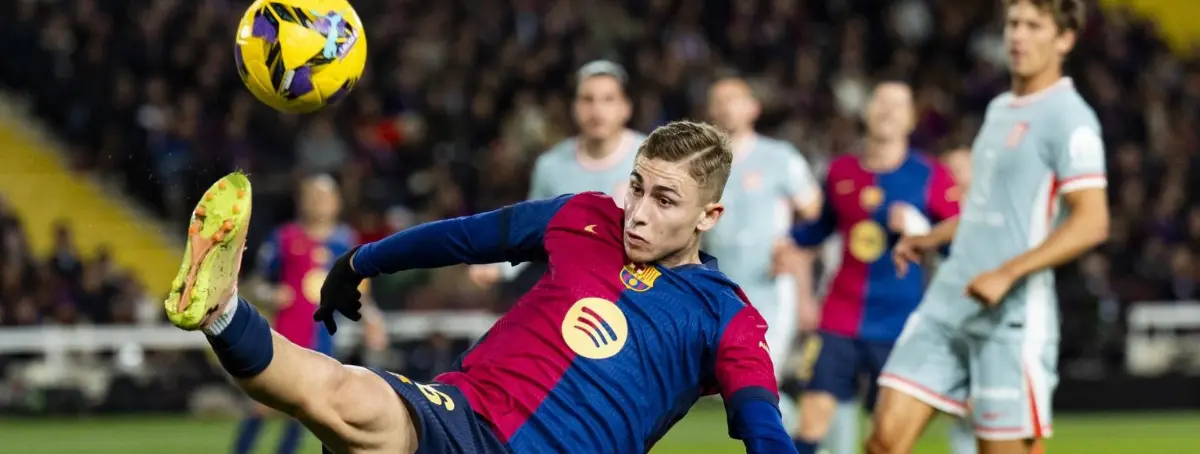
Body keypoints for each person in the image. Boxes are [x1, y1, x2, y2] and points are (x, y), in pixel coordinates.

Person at [164, 121, 797, 454]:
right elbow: (465, 237)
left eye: (665, 200)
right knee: (345, 396)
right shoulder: (582, 216)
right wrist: (359, 261)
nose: (637, 212)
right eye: (636, 186)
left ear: (709, 216)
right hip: (461, 417)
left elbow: (761, 424)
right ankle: (220, 312)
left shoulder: (726, 314)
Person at [868, 1, 1109, 453]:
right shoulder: (1000, 109)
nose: (1018, 35)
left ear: (1065, 39)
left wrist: (1008, 273)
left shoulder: (1070, 118)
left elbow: (1093, 222)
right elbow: (986, 209)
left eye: (1034, 26)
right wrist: (932, 237)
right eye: (1013, 23)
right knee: (883, 441)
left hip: (1011, 315)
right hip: (949, 301)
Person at [785, 80, 976, 454]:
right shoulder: (840, 171)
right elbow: (822, 226)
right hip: (840, 314)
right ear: (866, 111)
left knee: (886, 436)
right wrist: (788, 240)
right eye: (881, 102)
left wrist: (919, 227)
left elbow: (959, 243)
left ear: (911, 118)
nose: (888, 110)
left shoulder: (930, 174)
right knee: (812, 421)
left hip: (898, 322)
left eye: (898, 104)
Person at [229, 175, 388, 454]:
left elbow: (361, 291)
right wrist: (271, 294)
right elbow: (255, 283)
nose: (319, 203)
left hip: (323, 339)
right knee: (262, 404)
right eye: (313, 196)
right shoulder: (284, 237)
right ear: (301, 201)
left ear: (337, 202)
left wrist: (373, 320)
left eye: (325, 197)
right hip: (284, 334)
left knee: (305, 408)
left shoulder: (346, 241)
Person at [703, 76, 823, 430]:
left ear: (753, 108)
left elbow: (816, 212)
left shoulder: (779, 158)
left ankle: (803, 441)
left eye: (735, 99)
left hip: (770, 287)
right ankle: (806, 440)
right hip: (720, 287)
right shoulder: (701, 164)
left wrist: (795, 251)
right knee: (732, 384)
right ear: (710, 111)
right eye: (719, 100)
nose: (727, 107)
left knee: (758, 378)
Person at [468, 60, 644, 288]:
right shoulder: (551, 166)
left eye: (608, 99)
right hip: (576, 294)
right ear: (575, 107)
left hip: (641, 291)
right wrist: (499, 266)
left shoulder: (654, 158)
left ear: (626, 107)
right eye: (587, 99)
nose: (597, 110)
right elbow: (534, 229)